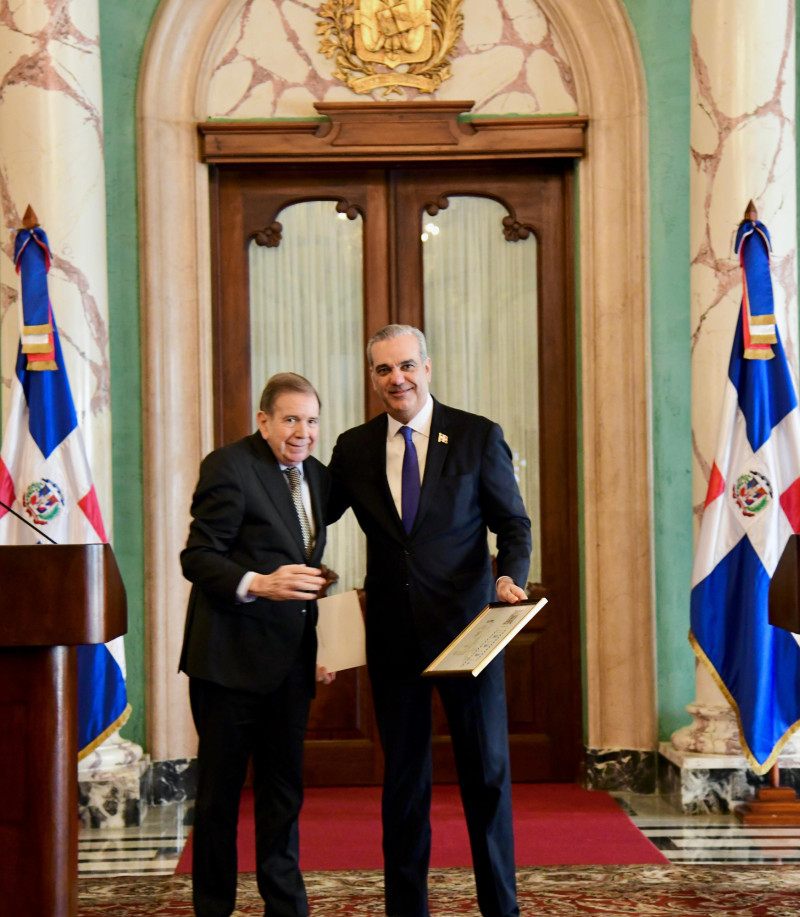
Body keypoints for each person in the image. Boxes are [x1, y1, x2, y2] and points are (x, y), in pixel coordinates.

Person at [328, 325, 531, 917]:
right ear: (372, 379)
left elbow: (512, 524)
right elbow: (312, 517)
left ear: (428, 367)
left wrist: (507, 576)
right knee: (404, 786)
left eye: (407, 366)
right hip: (394, 640)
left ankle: (501, 908)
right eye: (385, 370)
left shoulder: (475, 435)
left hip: (469, 636)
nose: (398, 380)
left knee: (487, 778)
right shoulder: (353, 448)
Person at [180, 372, 332, 917]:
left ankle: (285, 907)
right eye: (291, 419)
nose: (302, 432)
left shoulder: (317, 475)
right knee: (220, 801)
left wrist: (325, 650)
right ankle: (213, 908)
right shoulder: (229, 466)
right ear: (263, 420)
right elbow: (197, 558)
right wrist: (259, 584)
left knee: (283, 794)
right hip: (227, 664)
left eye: (312, 421)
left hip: (290, 667)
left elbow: (309, 567)